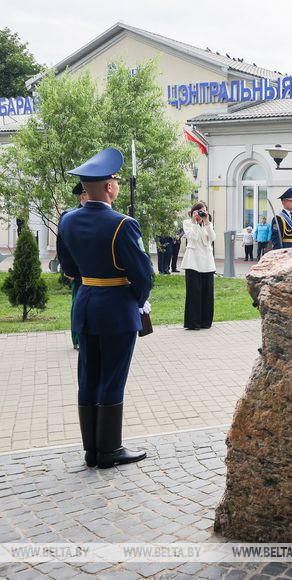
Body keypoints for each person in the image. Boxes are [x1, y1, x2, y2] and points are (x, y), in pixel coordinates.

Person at [56, 147, 152, 469]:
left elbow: (69, 267)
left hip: (86, 305)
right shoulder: (123, 224)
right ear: (109, 187)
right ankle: (109, 450)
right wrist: (136, 303)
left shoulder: (68, 220)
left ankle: (91, 451)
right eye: (115, 180)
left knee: (88, 377)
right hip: (116, 309)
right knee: (112, 378)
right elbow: (142, 275)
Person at [59, 182, 89, 350]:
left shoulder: (94, 214)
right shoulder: (69, 216)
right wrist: (68, 269)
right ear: (82, 197)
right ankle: (77, 338)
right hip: (78, 270)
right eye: (88, 194)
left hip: (94, 270)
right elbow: (63, 246)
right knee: (78, 302)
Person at [181, 201, 216, 330]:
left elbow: (212, 238)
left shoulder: (208, 224)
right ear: (194, 211)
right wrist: (194, 222)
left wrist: (206, 223)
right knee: (194, 293)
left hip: (207, 262)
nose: (202, 213)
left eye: (204, 210)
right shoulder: (187, 223)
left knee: (207, 293)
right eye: (200, 210)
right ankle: (193, 323)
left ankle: (206, 322)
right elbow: (192, 238)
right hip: (193, 262)